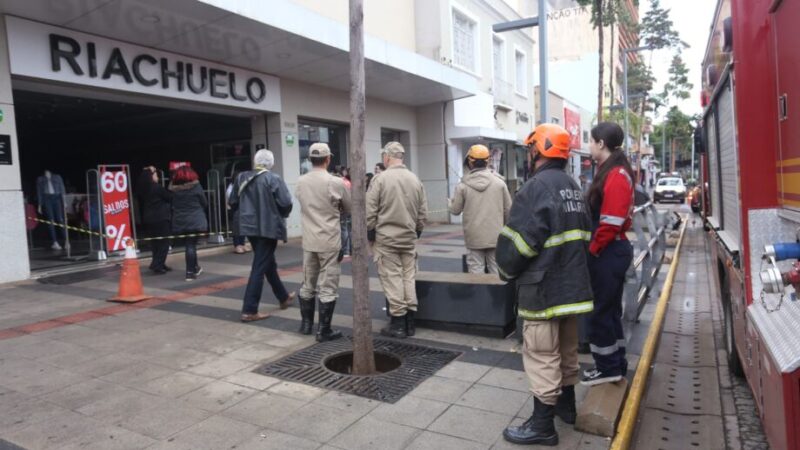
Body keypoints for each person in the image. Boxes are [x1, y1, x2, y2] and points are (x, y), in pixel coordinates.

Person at [498, 124, 594, 446]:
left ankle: (542, 426)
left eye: (530, 149)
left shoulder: (535, 188)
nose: (529, 155)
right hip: (572, 289)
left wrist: (506, 267)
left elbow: (520, 245)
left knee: (541, 354)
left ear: (538, 150)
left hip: (543, 291)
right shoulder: (574, 187)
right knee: (567, 350)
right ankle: (566, 407)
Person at [581, 122, 635, 386]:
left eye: (590, 141)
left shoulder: (614, 174)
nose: (588, 146)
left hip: (608, 250)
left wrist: (593, 250)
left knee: (600, 312)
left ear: (601, 143)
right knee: (610, 310)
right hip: (612, 249)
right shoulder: (614, 170)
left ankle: (608, 367)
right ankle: (615, 364)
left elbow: (611, 220)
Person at [367, 142, 427, 339]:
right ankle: (410, 321)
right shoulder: (415, 179)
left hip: (387, 239)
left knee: (392, 278)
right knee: (408, 277)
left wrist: (370, 233)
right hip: (409, 238)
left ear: (387, 157)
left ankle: (398, 323)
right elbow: (422, 212)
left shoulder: (380, 179)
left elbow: (370, 211)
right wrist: (417, 230)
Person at [229, 149, 296, 322]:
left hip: (249, 227)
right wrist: (280, 214)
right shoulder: (273, 178)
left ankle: (283, 297)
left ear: (255, 161)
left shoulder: (241, 177)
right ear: (271, 163)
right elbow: (286, 203)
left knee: (267, 263)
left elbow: (233, 202)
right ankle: (249, 309)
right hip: (268, 227)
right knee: (260, 266)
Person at [295, 143, 352, 341]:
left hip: (309, 239)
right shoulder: (335, 182)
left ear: (311, 159)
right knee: (328, 286)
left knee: (307, 283)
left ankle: (306, 325)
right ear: (328, 159)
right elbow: (349, 207)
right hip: (329, 239)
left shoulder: (301, 181)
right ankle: (323, 330)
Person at [448, 144, 512, 274]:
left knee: (476, 271)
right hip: (496, 237)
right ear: (487, 161)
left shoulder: (463, 186)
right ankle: (496, 294)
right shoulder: (500, 183)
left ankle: (478, 294)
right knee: (496, 271)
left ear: (469, 162)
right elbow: (509, 211)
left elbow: (455, 210)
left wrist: (450, 203)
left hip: (474, 238)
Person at [169, 166, 208, 281]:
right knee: (191, 245)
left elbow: (172, 204)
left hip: (180, 220)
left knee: (189, 244)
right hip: (195, 219)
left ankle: (195, 267)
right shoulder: (196, 187)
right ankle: (190, 272)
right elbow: (204, 202)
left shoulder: (173, 190)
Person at [136, 166, 173, 274]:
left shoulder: (144, 188)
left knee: (155, 243)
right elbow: (169, 197)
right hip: (161, 218)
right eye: (156, 174)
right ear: (151, 177)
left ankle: (158, 263)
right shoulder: (156, 187)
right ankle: (158, 265)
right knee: (164, 243)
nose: (157, 176)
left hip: (149, 218)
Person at [36, 169, 67, 250]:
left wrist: (64, 202)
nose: (47, 173)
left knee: (60, 219)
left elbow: (62, 189)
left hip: (56, 198)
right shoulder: (40, 179)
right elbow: (39, 192)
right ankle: (55, 242)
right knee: (51, 221)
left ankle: (66, 241)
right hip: (47, 199)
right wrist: (39, 205)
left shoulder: (57, 177)